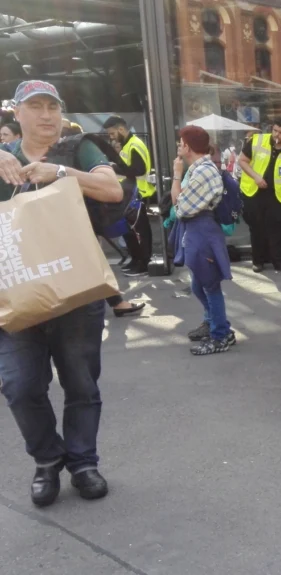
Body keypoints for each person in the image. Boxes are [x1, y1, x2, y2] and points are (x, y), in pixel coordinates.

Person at [0, 80, 124, 507]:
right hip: (16, 290)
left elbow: (112, 189)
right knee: (19, 385)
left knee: (81, 382)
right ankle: (48, 459)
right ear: (17, 113)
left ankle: (83, 463)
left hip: (76, 287)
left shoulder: (78, 149)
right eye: (35, 106)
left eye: (52, 107)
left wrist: (60, 173)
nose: (46, 115)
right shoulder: (5, 157)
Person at [170, 126, 235, 355]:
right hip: (199, 232)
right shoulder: (200, 169)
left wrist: (177, 175)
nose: (178, 146)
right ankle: (214, 323)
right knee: (199, 285)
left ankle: (221, 335)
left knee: (210, 286)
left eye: (180, 142)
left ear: (187, 147)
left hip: (203, 232)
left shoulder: (203, 172)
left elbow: (180, 208)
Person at [238, 119, 281, 273]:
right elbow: (242, 161)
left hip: (277, 195)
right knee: (256, 228)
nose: (277, 135)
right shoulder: (257, 140)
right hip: (254, 192)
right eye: (275, 130)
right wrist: (256, 177)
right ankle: (258, 261)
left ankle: (279, 262)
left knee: (279, 229)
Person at [103, 115, 155, 277]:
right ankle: (136, 260)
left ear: (121, 129)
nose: (111, 137)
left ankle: (143, 264)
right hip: (129, 194)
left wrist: (115, 168)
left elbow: (138, 170)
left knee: (139, 232)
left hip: (138, 194)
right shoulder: (128, 145)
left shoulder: (134, 144)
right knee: (129, 231)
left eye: (112, 133)